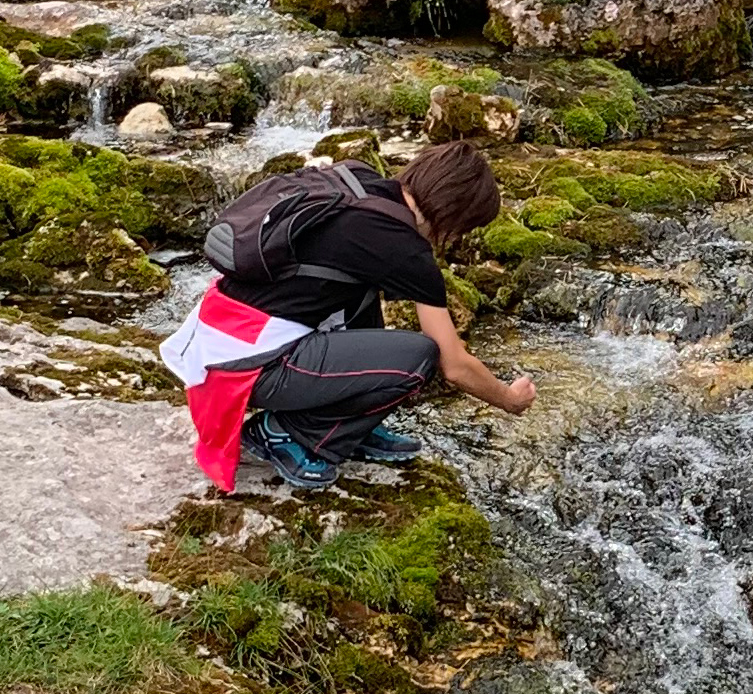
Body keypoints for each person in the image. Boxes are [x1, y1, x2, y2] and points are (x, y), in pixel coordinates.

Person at [161, 140, 535, 493]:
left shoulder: (359, 180)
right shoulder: (403, 248)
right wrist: (509, 400)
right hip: (249, 368)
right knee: (418, 357)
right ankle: (289, 433)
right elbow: (453, 365)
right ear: (454, 216)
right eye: (463, 230)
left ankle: (352, 426)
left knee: (363, 289)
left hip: (219, 340)